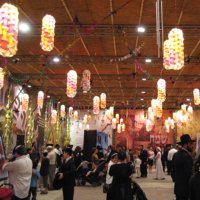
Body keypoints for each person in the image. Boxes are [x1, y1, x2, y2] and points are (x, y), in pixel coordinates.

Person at [172, 134, 194, 200]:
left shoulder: (176, 155)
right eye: (190, 144)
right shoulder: (187, 156)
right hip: (186, 190)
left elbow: (173, 172)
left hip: (178, 188)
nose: (192, 146)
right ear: (185, 144)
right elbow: (189, 174)